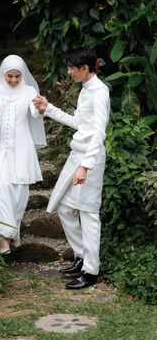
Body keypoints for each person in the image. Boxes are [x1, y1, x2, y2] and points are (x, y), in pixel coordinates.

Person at [33, 47, 110, 289]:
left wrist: (86, 166)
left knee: (88, 213)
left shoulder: (100, 92)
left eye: (72, 68)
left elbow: (98, 133)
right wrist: (49, 109)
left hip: (90, 157)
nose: (69, 72)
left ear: (85, 68)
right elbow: (78, 123)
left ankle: (91, 272)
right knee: (65, 208)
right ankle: (82, 257)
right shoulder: (85, 90)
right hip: (77, 154)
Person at [0, 55, 46, 255]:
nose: (13, 80)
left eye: (17, 76)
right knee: (1, 189)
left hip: (21, 147)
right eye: (10, 76)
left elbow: (34, 114)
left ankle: (14, 230)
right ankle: (4, 239)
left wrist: (39, 109)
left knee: (19, 193)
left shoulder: (29, 91)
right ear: (3, 74)